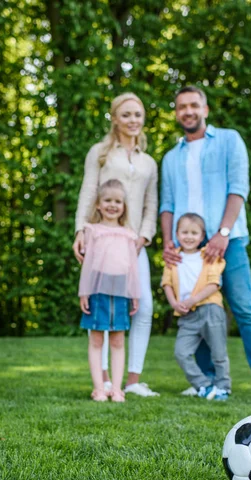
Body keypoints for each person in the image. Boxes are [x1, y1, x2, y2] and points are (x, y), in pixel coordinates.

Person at [160, 85, 251, 405]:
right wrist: (167, 243)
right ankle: (207, 381)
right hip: (188, 250)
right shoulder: (171, 157)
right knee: (195, 308)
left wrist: (222, 233)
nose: (188, 111)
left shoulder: (229, 140)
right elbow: (167, 204)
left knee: (243, 307)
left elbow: (238, 189)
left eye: (193, 105)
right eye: (182, 106)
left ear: (205, 109)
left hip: (230, 241)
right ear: (176, 113)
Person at [73, 92, 159, 397]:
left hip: (134, 242)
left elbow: (151, 205)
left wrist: (143, 237)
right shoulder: (100, 152)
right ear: (114, 118)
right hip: (103, 241)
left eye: (137, 114)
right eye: (126, 114)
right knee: (103, 304)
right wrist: (81, 230)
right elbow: (88, 191)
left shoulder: (149, 162)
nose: (133, 120)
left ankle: (132, 380)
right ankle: (105, 380)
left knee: (143, 305)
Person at [79, 179, 140, 402]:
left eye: (117, 201)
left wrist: (135, 294)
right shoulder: (92, 231)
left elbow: (133, 268)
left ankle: (116, 388)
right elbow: (87, 266)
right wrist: (83, 292)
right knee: (96, 340)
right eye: (107, 200)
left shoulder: (129, 234)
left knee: (117, 340)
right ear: (98, 204)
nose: (112, 205)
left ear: (124, 206)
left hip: (122, 290)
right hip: (97, 290)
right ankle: (98, 388)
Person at [162, 213, 231, 400]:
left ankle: (223, 387)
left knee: (218, 353)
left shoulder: (209, 257)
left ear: (202, 236)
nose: (189, 236)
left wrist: (193, 300)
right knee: (181, 352)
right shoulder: (172, 259)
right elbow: (167, 283)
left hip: (211, 309)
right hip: (187, 315)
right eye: (184, 232)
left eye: (194, 233)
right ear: (177, 234)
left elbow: (214, 284)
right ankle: (204, 385)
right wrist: (174, 303)